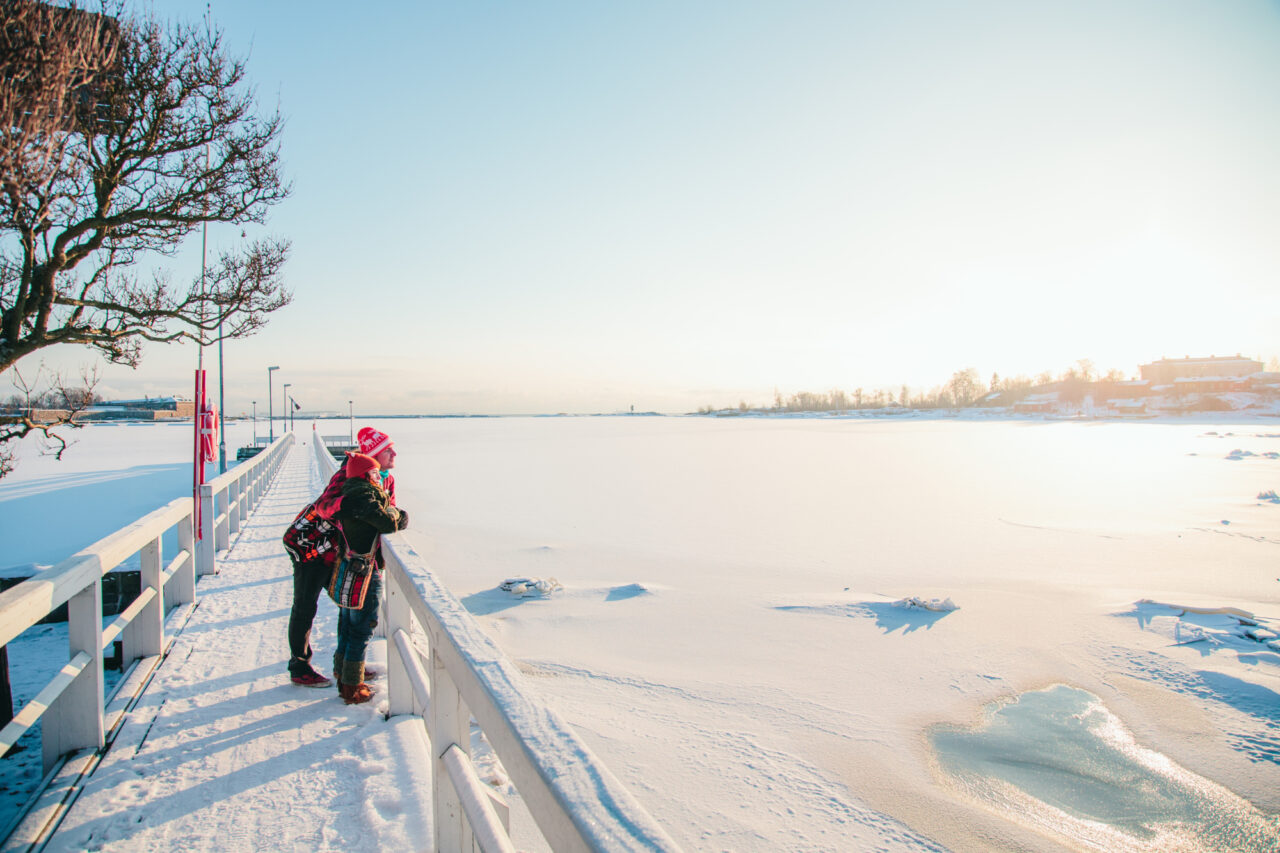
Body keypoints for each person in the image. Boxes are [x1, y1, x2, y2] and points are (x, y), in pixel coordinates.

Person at [284, 427, 404, 687]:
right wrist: (348, 506)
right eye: (387, 450)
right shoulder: (350, 475)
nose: (394, 453)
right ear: (373, 456)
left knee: (347, 605)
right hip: (313, 549)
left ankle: (347, 665)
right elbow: (323, 507)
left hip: (343, 552)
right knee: (305, 606)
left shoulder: (386, 479)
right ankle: (299, 666)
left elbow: (388, 512)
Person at [328, 447, 407, 703]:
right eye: (374, 472)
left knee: (347, 623)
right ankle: (352, 686)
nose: (378, 477)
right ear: (366, 475)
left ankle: (343, 672)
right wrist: (398, 514)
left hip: (349, 566)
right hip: (363, 570)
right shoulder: (363, 497)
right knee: (362, 626)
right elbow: (389, 522)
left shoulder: (351, 493)